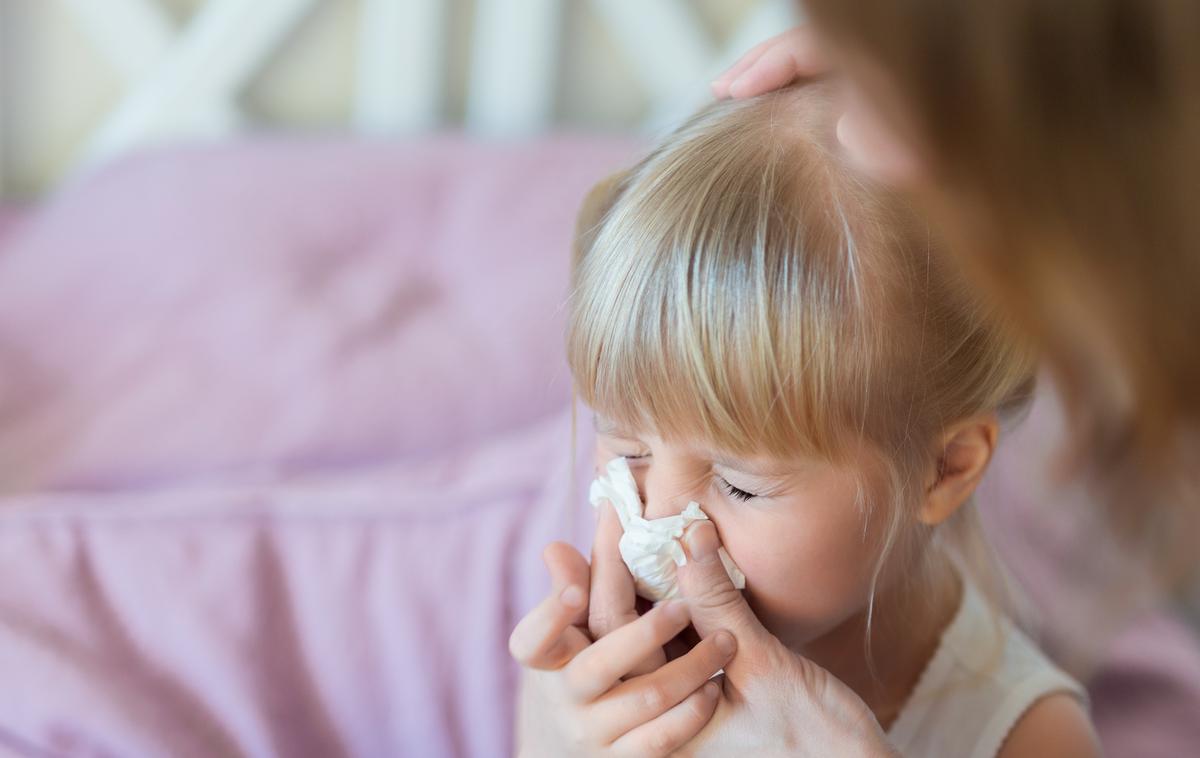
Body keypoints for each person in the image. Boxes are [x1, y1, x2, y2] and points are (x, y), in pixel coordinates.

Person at [509, 84, 1099, 757]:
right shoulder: (605, 666)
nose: (654, 521)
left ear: (944, 469)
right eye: (629, 449)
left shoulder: (1030, 737)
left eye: (740, 485)